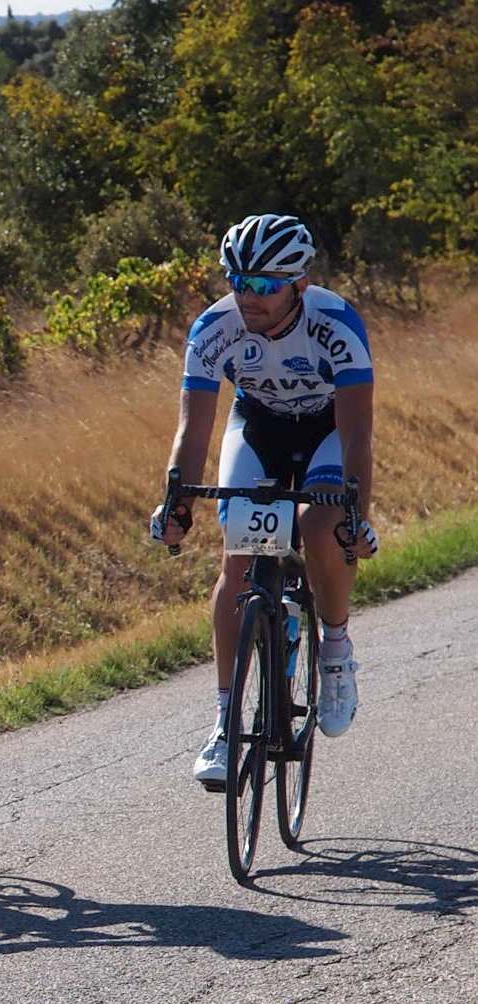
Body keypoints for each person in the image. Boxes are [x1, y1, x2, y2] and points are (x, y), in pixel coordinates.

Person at [151, 212, 378, 788]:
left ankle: (335, 648)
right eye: (238, 281)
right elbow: (193, 430)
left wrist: (358, 516)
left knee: (321, 526)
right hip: (258, 426)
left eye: (263, 285)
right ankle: (226, 722)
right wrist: (178, 504)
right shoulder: (214, 328)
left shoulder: (337, 324)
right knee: (238, 559)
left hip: (327, 430)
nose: (247, 296)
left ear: (300, 284)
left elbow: (357, 435)